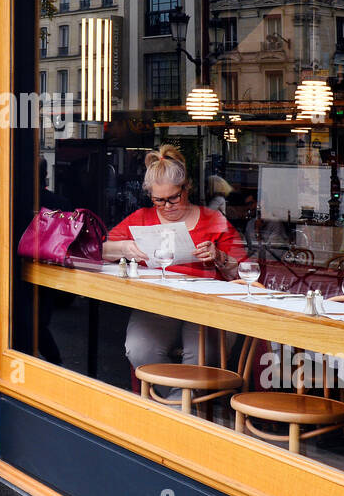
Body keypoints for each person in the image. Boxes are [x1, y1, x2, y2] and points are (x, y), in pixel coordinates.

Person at [103, 145, 246, 375]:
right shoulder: (141, 218)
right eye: (158, 200)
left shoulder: (213, 220)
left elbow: (243, 273)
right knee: (140, 349)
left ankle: (173, 408)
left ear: (187, 187)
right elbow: (99, 249)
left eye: (173, 198)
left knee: (203, 358)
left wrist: (219, 256)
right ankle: (177, 406)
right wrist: (124, 247)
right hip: (156, 303)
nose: (167, 207)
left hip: (206, 306)